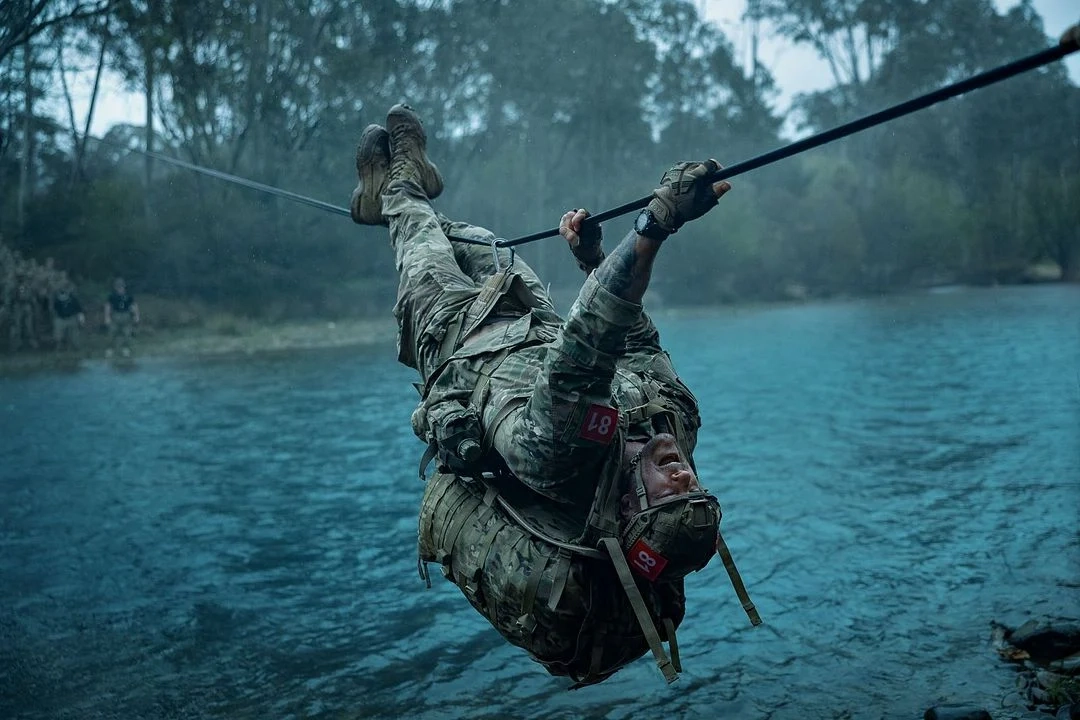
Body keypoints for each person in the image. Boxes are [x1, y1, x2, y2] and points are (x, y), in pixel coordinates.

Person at [351, 104, 760, 688]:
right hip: (530, 318)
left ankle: (394, 188)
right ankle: (383, 197)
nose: (686, 478)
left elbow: (592, 343)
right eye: (695, 489)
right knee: (478, 240)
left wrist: (654, 224)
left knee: (417, 221)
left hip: (456, 337)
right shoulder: (674, 425)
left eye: (670, 496)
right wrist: (593, 258)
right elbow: (636, 341)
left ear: (628, 508)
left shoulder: (562, 455)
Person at [104, 277, 139, 357]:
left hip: (126, 316)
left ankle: (126, 349)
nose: (120, 288)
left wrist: (136, 316)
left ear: (124, 287)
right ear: (115, 287)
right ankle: (110, 349)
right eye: (118, 286)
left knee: (127, 333)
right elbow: (108, 306)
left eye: (121, 286)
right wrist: (107, 317)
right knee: (111, 333)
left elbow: (134, 306)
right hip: (116, 316)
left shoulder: (129, 296)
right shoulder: (112, 296)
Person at [52, 281, 86, 352]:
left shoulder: (73, 299)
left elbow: (79, 310)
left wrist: (81, 320)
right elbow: (54, 310)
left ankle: (74, 347)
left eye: (66, 289)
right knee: (58, 334)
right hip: (60, 319)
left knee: (74, 335)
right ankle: (59, 346)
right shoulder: (56, 299)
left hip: (71, 318)